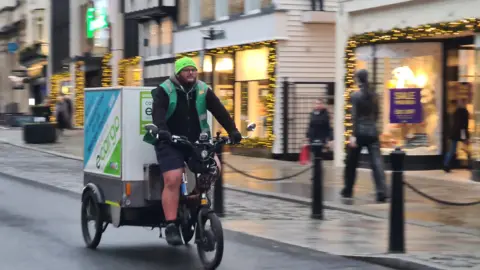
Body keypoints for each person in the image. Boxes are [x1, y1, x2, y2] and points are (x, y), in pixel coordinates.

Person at [152, 57, 242, 246]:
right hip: (171, 142)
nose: (191, 73)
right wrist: (162, 131)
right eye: (186, 70)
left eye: (193, 69)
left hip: (196, 142)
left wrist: (232, 130)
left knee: (214, 168)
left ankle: (193, 200)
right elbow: (158, 112)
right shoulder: (164, 90)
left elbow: (219, 110)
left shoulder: (202, 89)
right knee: (173, 178)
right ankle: (171, 225)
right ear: (178, 73)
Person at [341, 69, 387, 203]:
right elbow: (377, 114)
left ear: (358, 80)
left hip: (359, 132)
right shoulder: (374, 95)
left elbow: (354, 117)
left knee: (351, 163)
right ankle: (381, 191)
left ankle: (348, 189)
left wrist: (353, 135)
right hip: (372, 131)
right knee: (377, 163)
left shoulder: (356, 96)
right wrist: (372, 125)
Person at [443, 99, 470, 172]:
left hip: (455, 133)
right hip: (461, 132)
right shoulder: (464, 112)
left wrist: (451, 134)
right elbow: (464, 125)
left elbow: (455, 124)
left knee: (452, 150)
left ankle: (446, 165)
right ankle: (470, 164)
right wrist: (465, 136)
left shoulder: (455, 112)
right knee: (466, 148)